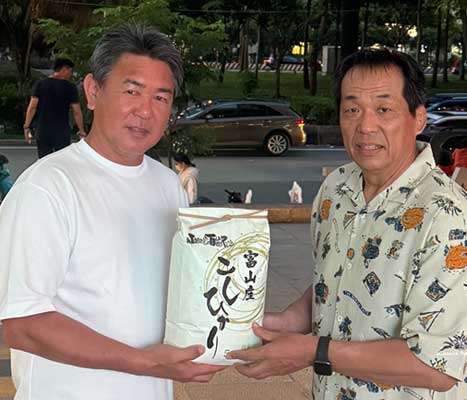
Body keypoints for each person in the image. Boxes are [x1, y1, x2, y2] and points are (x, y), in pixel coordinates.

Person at [0, 23, 224, 400]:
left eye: (160, 97)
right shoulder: (48, 187)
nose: (145, 111)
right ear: (93, 91)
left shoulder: (168, 185)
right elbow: (23, 324)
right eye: (131, 91)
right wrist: (144, 362)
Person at [227, 49, 467, 399]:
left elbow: (436, 366)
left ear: (418, 118)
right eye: (352, 109)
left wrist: (313, 352)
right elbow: (336, 280)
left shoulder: (448, 216)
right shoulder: (335, 189)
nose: (365, 126)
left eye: (383, 109)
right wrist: (288, 321)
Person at [23, 57, 87, 158]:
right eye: (70, 71)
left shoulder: (40, 84)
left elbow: (32, 107)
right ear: (64, 69)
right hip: (62, 130)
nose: (70, 74)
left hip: (42, 129)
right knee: (61, 160)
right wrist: (81, 130)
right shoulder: (70, 87)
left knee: (44, 159)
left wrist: (27, 126)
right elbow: (76, 111)